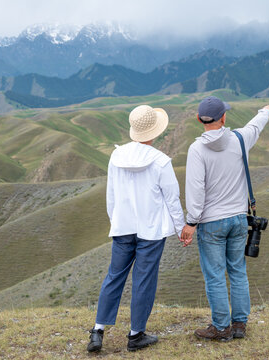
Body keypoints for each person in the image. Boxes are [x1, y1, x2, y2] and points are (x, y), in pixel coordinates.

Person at [87, 105, 186, 353]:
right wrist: (180, 228)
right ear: (155, 131)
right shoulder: (161, 161)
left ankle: (98, 331)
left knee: (114, 276)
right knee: (144, 280)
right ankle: (135, 335)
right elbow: (172, 198)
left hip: (123, 226)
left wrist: (116, 220)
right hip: (150, 230)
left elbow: (111, 195)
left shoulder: (116, 157)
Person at [181, 96, 269, 341]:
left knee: (215, 275)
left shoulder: (197, 149)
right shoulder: (240, 140)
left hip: (211, 222)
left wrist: (191, 222)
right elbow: (256, 125)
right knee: (237, 271)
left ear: (199, 119)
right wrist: (265, 111)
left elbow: (196, 189)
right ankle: (239, 325)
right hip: (238, 219)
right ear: (224, 117)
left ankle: (221, 328)